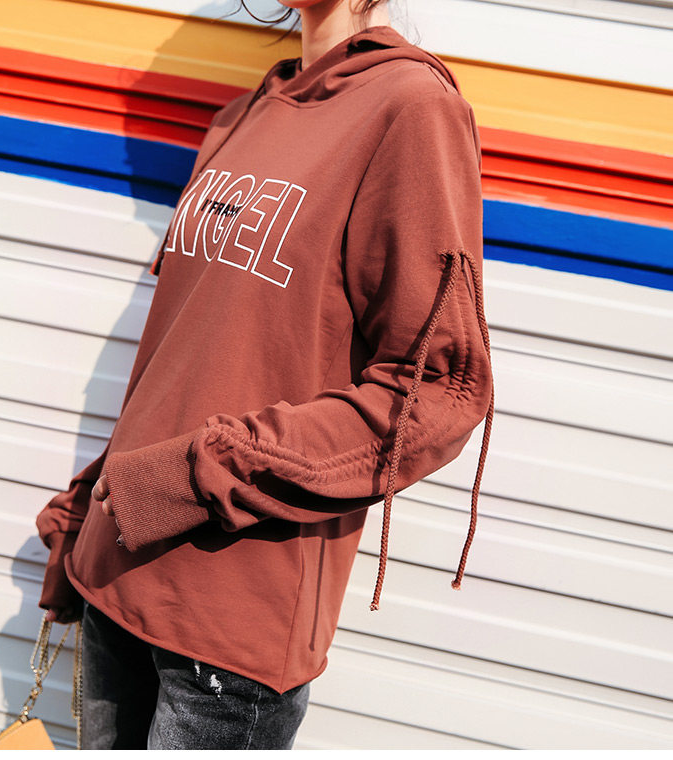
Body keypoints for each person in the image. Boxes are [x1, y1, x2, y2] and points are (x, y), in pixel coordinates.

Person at [35, 0, 495, 750]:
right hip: (115, 578)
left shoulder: (412, 107)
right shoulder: (244, 114)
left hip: (227, 635)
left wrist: (199, 473)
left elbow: (435, 390)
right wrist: (90, 508)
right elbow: (189, 349)